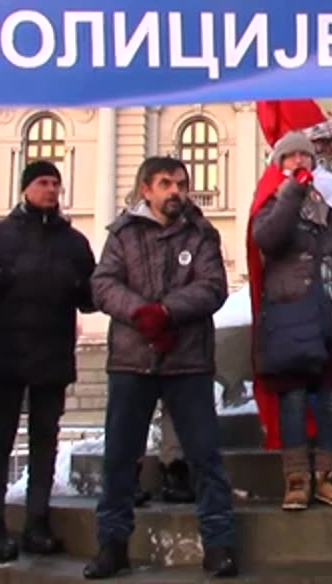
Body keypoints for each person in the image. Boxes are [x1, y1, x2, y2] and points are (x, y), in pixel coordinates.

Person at [86, 156, 236, 579]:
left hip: (187, 360)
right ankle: (112, 545)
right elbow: (103, 285)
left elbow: (212, 287)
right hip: (132, 361)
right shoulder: (122, 234)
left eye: (182, 183)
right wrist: (141, 314)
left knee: (205, 456)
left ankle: (219, 544)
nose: (176, 191)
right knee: (120, 456)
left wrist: (167, 313)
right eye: (167, 183)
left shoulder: (202, 233)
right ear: (145, 190)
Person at [0, 161, 97, 562]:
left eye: (55, 183)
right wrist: (3, 276)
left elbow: (91, 297)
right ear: (25, 189)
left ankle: (38, 522)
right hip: (4, 357)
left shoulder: (73, 241)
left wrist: (79, 286)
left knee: (44, 442)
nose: (51, 189)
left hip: (52, 355)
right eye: (42, 182)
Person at [249, 132, 332, 511]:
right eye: (292, 157)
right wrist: (291, 192)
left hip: (331, 318)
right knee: (293, 399)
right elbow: (269, 239)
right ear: (279, 165)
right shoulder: (272, 203)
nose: (301, 161)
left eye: (306, 156)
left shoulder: (329, 207)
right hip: (291, 318)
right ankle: (297, 478)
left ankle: (329, 476)